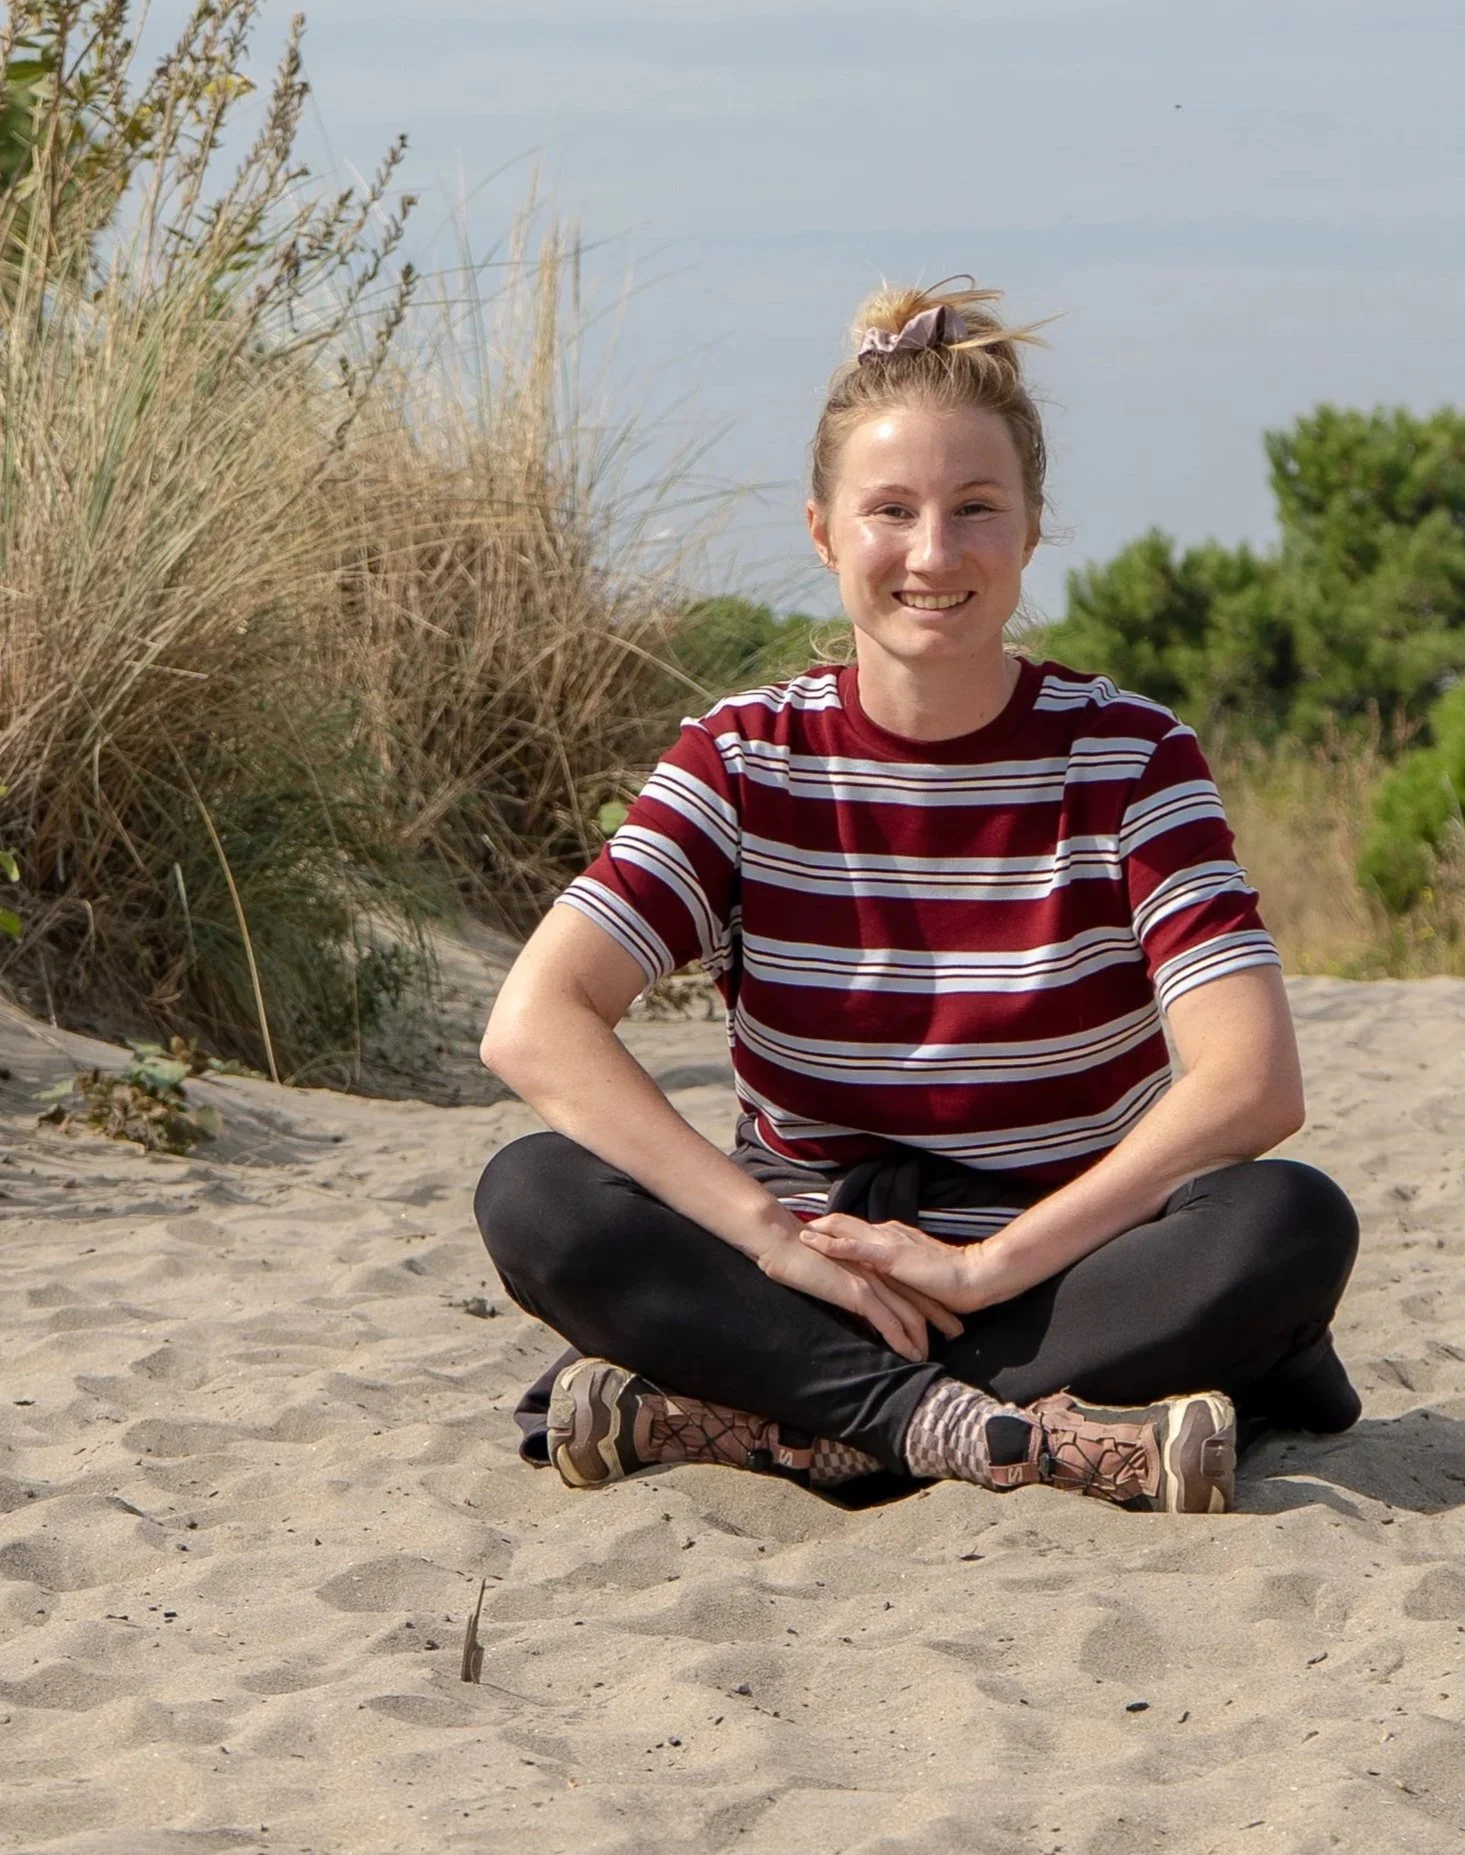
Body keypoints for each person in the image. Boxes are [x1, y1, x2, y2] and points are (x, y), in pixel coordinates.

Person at [472, 281, 1361, 1515]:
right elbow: (535, 1021)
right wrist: (775, 1241)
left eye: (975, 509)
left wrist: (986, 1264)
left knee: (1286, 1222)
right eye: (890, 511)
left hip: (1056, 1266)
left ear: (1033, 529)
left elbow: (1252, 1083)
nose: (933, 555)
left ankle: (789, 1421)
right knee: (537, 1196)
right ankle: (984, 1433)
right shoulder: (743, 759)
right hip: (811, 1276)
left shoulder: (1128, 756)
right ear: (825, 532)